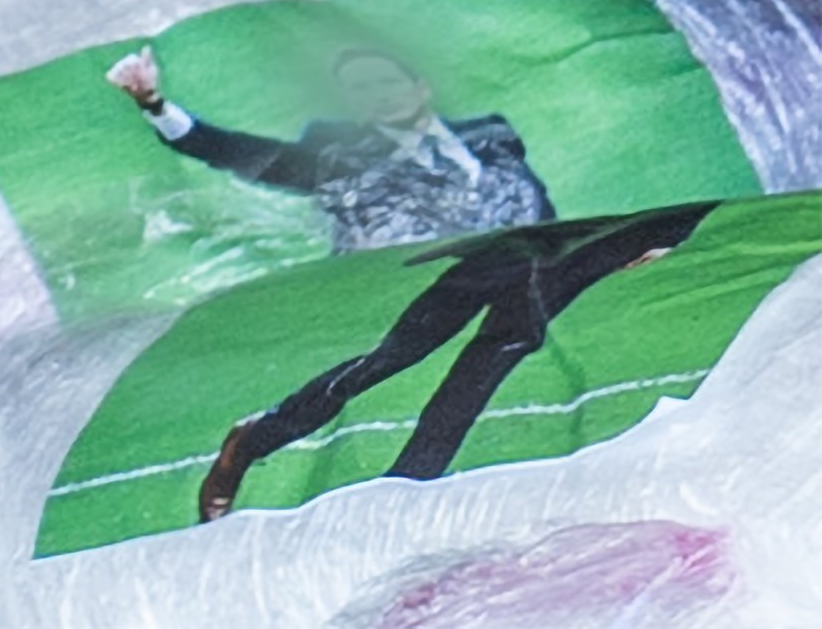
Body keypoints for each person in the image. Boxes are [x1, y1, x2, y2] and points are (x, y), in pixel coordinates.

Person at [197, 199, 719, 521]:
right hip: (515, 252)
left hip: (581, 256)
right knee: (400, 353)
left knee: (489, 361)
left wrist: (664, 236)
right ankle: (256, 437)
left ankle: (404, 484)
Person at [107, 46, 555, 252]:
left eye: (387, 82)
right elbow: (232, 150)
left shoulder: (489, 135)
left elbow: (539, 209)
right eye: (362, 89)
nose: (379, 94)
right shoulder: (337, 162)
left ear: (420, 89)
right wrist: (155, 105)